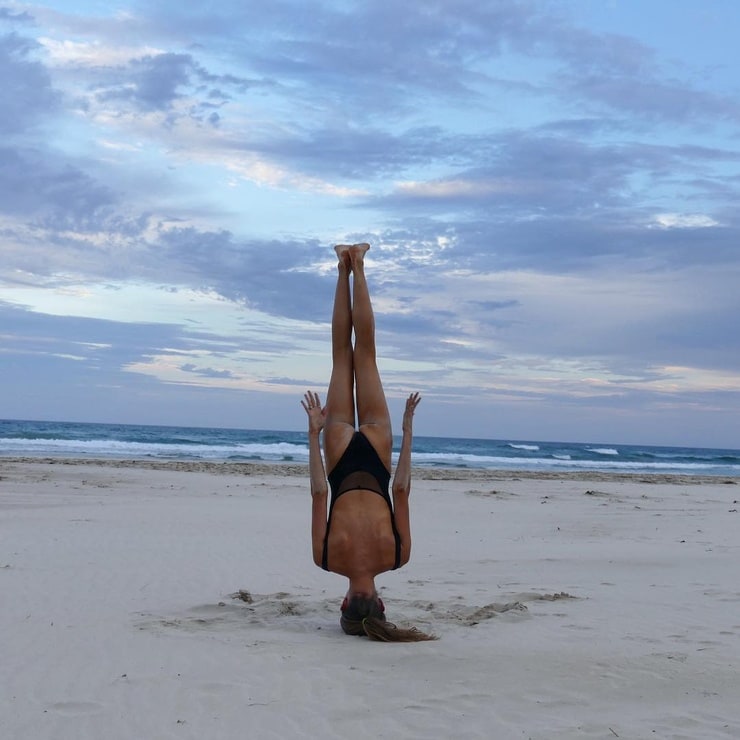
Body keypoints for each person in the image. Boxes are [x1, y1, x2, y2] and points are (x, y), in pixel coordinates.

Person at [301, 243, 435, 641]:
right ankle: (343, 267)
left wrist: (409, 432)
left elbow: (401, 489)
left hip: (376, 451)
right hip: (340, 452)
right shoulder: (325, 559)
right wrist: (314, 435)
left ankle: (359, 263)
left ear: (381, 604)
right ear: (344, 604)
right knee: (341, 355)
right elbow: (318, 493)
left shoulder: (397, 557)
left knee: (367, 354)